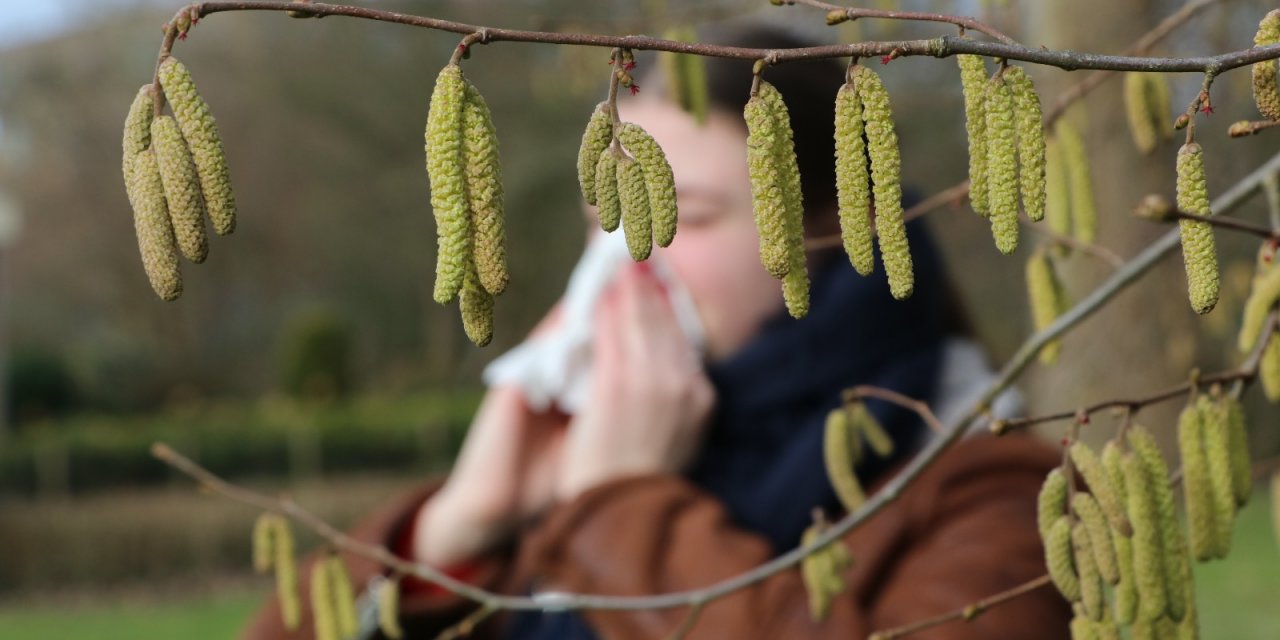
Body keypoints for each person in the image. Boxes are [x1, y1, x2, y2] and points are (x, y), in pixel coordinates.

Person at [243, 24, 1071, 640]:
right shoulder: (561, 464)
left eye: (689, 216)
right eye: (603, 218)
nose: (627, 258)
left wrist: (621, 509)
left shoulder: (990, 493)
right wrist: (448, 537)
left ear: (834, 229)